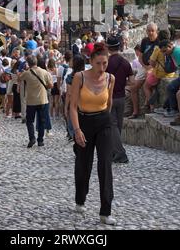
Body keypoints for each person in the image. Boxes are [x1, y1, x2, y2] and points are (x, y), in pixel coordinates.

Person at [69, 42, 116, 226]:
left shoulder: (110, 78)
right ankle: (80, 199)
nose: (102, 68)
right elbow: (72, 106)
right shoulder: (79, 77)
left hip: (104, 122)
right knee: (83, 164)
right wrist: (77, 129)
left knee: (105, 164)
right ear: (91, 61)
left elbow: (109, 103)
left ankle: (106, 211)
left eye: (105, 63)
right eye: (99, 63)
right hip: (84, 121)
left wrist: (109, 122)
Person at [106, 36, 134, 163]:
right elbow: (132, 81)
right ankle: (113, 152)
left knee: (112, 126)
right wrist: (124, 86)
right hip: (122, 97)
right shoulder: (125, 62)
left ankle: (120, 153)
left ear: (108, 47)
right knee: (118, 126)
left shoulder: (106, 63)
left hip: (109, 97)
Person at [19, 56, 53, 148]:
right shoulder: (44, 72)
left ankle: (32, 138)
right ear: (36, 62)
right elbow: (50, 85)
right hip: (42, 100)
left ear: (28, 64)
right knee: (42, 121)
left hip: (31, 101)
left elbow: (19, 79)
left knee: (29, 121)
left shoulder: (26, 73)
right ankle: (40, 140)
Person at [129, 23, 159, 119]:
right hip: (144, 66)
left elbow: (161, 58)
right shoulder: (144, 41)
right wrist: (145, 66)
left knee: (148, 84)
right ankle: (135, 112)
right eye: (148, 31)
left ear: (156, 31)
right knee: (133, 88)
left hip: (156, 67)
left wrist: (150, 67)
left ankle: (151, 108)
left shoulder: (159, 41)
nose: (150, 33)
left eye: (152, 31)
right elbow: (140, 56)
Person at [65, 55, 85, 141]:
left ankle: (75, 136)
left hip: (74, 101)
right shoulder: (86, 75)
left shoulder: (70, 77)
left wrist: (66, 106)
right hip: (84, 101)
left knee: (72, 120)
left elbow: (69, 93)